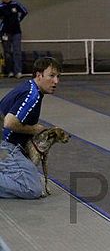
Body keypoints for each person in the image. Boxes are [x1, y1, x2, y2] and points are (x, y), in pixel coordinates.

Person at [0, 57, 61, 199]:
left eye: (58, 77)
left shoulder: (28, 87)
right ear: (39, 75)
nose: (56, 81)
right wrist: (35, 129)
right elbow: (9, 122)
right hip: (4, 146)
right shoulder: (32, 95)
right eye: (51, 76)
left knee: (29, 174)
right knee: (32, 188)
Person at [0, 0, 28, 79]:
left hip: (16, 32)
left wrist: (18, 20)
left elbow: (25, 11)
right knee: (7, 53)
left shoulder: (16, 4)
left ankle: (18, 71)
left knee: (17, 52)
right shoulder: (0, 6)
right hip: (5, 33)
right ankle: (10, 71)